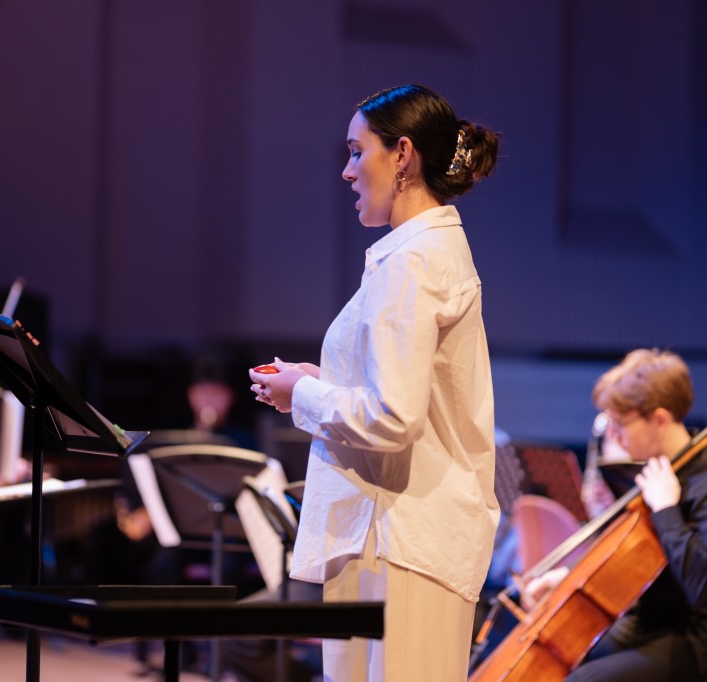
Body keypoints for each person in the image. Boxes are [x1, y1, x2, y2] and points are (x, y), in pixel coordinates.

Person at [249, 83, 501, 681]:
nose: (347, 170)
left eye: (357, 151)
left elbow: (393, 418)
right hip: (398, 535)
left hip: (400, 541)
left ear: (403, 154)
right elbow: (407, 394)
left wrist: (303, 394)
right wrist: (321, 380)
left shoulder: (412, 262)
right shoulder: (422, 252)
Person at [524, 349, 707, 682]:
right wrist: (568, 579)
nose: (615, 437)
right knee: (553, 657)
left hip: (694, 643)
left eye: (620, 425)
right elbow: (631, 561)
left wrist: (667, 509)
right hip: (646, 626)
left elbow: (704, 589)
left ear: (658, 419)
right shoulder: (653, 475)